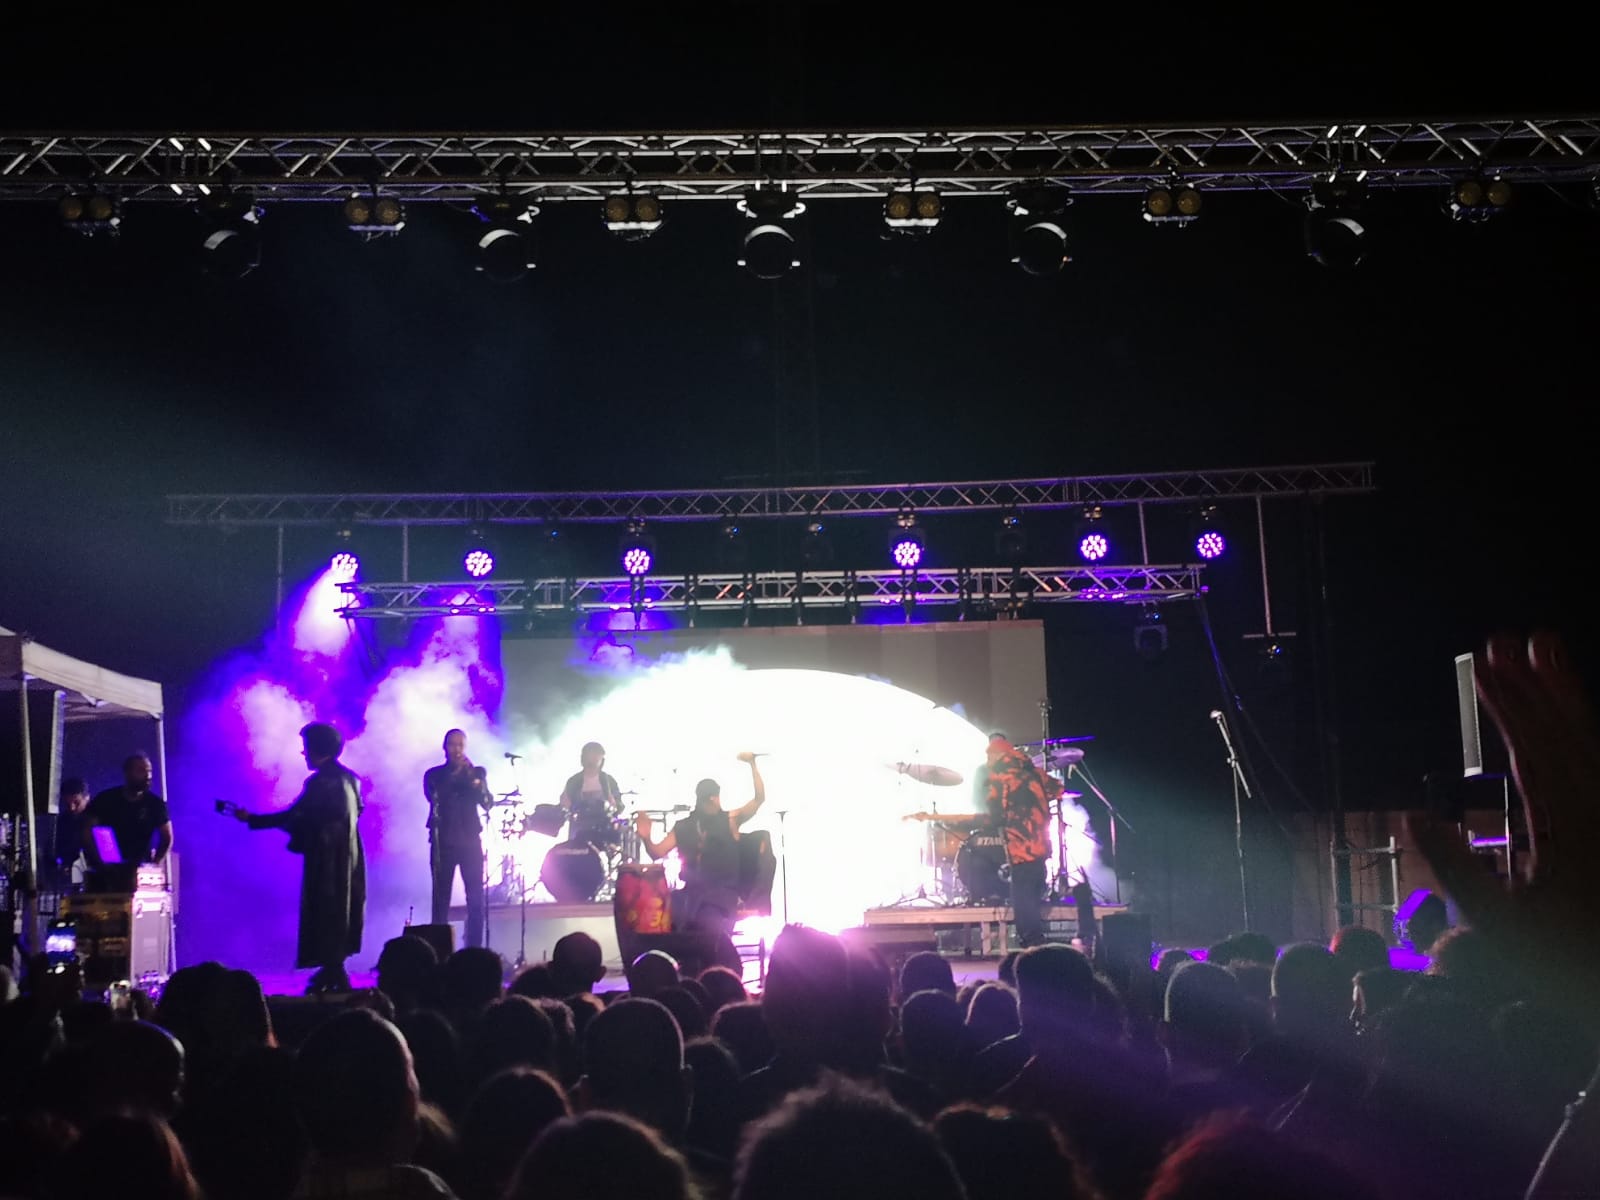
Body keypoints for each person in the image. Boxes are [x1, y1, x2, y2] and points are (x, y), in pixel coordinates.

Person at [233, 722, 366, 993]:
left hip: (327, 860)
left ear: (318, 748)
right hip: (349, 856)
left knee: (325, 910)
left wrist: (253, 819)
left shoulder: (320, 783)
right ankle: (333, 968)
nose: (303, 753)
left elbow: (296, 816)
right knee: (342, 911)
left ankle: (333, 969)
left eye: (306, 747)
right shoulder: (352, 779)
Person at [636, 753, 766, 945]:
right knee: (665, 916)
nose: (716, 802)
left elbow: (759, 798)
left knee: (707, 921)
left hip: (721, 895)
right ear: (710, 799)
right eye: (713, 798)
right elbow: (657, 852)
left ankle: (708, 954)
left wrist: (752, 764)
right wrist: (646, 837)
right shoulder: (683, 826)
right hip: (691, 895)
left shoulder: (730, 820)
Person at [979, 734, 1058, 948]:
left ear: (996, 755)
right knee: (1035, 896)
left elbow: (996, 815)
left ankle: (1031, 945)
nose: (988, 761)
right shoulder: (1034, 772)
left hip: (1020, 847)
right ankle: (1038, 944)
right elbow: (1057, 789)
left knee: (1022, 901)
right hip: (1041, 846)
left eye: (989, 756)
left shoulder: (1001, 776)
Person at [424, 729, 494, 949]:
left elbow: (487, 803)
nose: (456, 750)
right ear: (444, 747)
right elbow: (435, 796)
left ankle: (474, 949)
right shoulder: (434, 775)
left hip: (470, 842)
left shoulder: (476, 774)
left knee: (475, 899)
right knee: (440, 899)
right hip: (443, 842)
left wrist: (474, 780)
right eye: (452, 745)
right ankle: (439, 950)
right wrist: (458, 775)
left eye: (460, 745)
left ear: (465, 748)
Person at [84, 753, 172, 893]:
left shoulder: (155, 804)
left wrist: (154, 865)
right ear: (127, 773)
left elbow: (167, 837)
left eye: (149, 771)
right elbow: (88, 831)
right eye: (141, 770)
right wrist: (99, 862)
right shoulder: (106, 799)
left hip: (140, 869)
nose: (148, 776)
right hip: (106, 868)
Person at [560, 741, 624, 849]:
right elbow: (565, 807)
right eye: (590, 755)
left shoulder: (609, 781)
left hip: (604, 831)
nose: (593, 759)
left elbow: (619, 806)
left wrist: (614, 804)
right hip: (579, 830)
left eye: (596, 756)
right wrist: (564, 805)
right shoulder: (574, 781)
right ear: (583, 758)